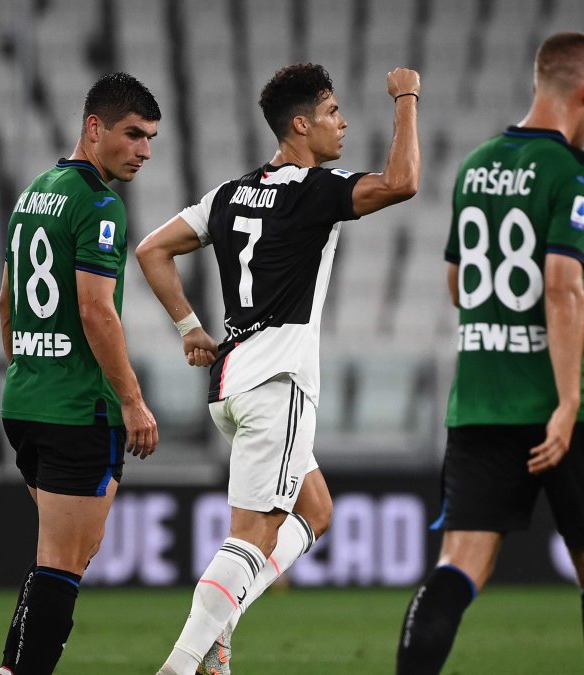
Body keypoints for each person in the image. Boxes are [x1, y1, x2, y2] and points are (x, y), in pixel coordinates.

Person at [136, 62, 419, 675]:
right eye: (331, 112)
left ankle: (218, 640)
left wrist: (191, 330)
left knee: (315, 510)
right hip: (277, 381)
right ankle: (182, 666)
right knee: (249, 541)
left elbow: (152, 250)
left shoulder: (231, 194)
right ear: (300, 124)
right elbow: (402, 182)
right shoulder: (313, 190)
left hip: (231, 383)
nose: (342, 122)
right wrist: (406, 97)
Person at [395, 32, 584, 675]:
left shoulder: (476, 164)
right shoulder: (574, 171)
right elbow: (562, 287)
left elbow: (458, 283)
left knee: (459, 565)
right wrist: (566, 403)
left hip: (481, 401)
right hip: (568, 407)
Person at [0, 72, 161, 675]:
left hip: (26, 403)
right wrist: (134, 401)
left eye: (151, 139)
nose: (143, 151)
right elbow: (96, 310)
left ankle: (10, 670)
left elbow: (9, 298)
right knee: (65, 562)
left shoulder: (34, 192)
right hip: (76, 410)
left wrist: (28, 366)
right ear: (94, 128)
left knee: (60, 554)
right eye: (132, 135)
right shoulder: (98, 202)